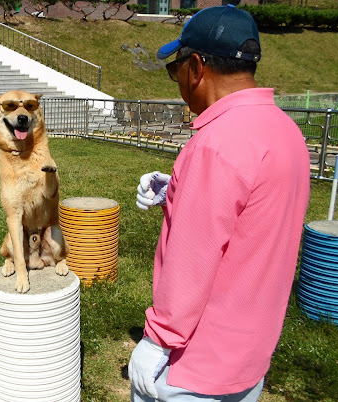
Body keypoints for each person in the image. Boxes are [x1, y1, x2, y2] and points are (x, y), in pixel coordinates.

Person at [129, 5, 311, 401]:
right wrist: (177, 191)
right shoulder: (285, 130)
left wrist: (158, 340)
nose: (177, 81)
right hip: (249, 353)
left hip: (195, 364)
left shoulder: (216, 144)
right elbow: (252, 218)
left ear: (195, 67)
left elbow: (192, 257)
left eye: (174, 69)